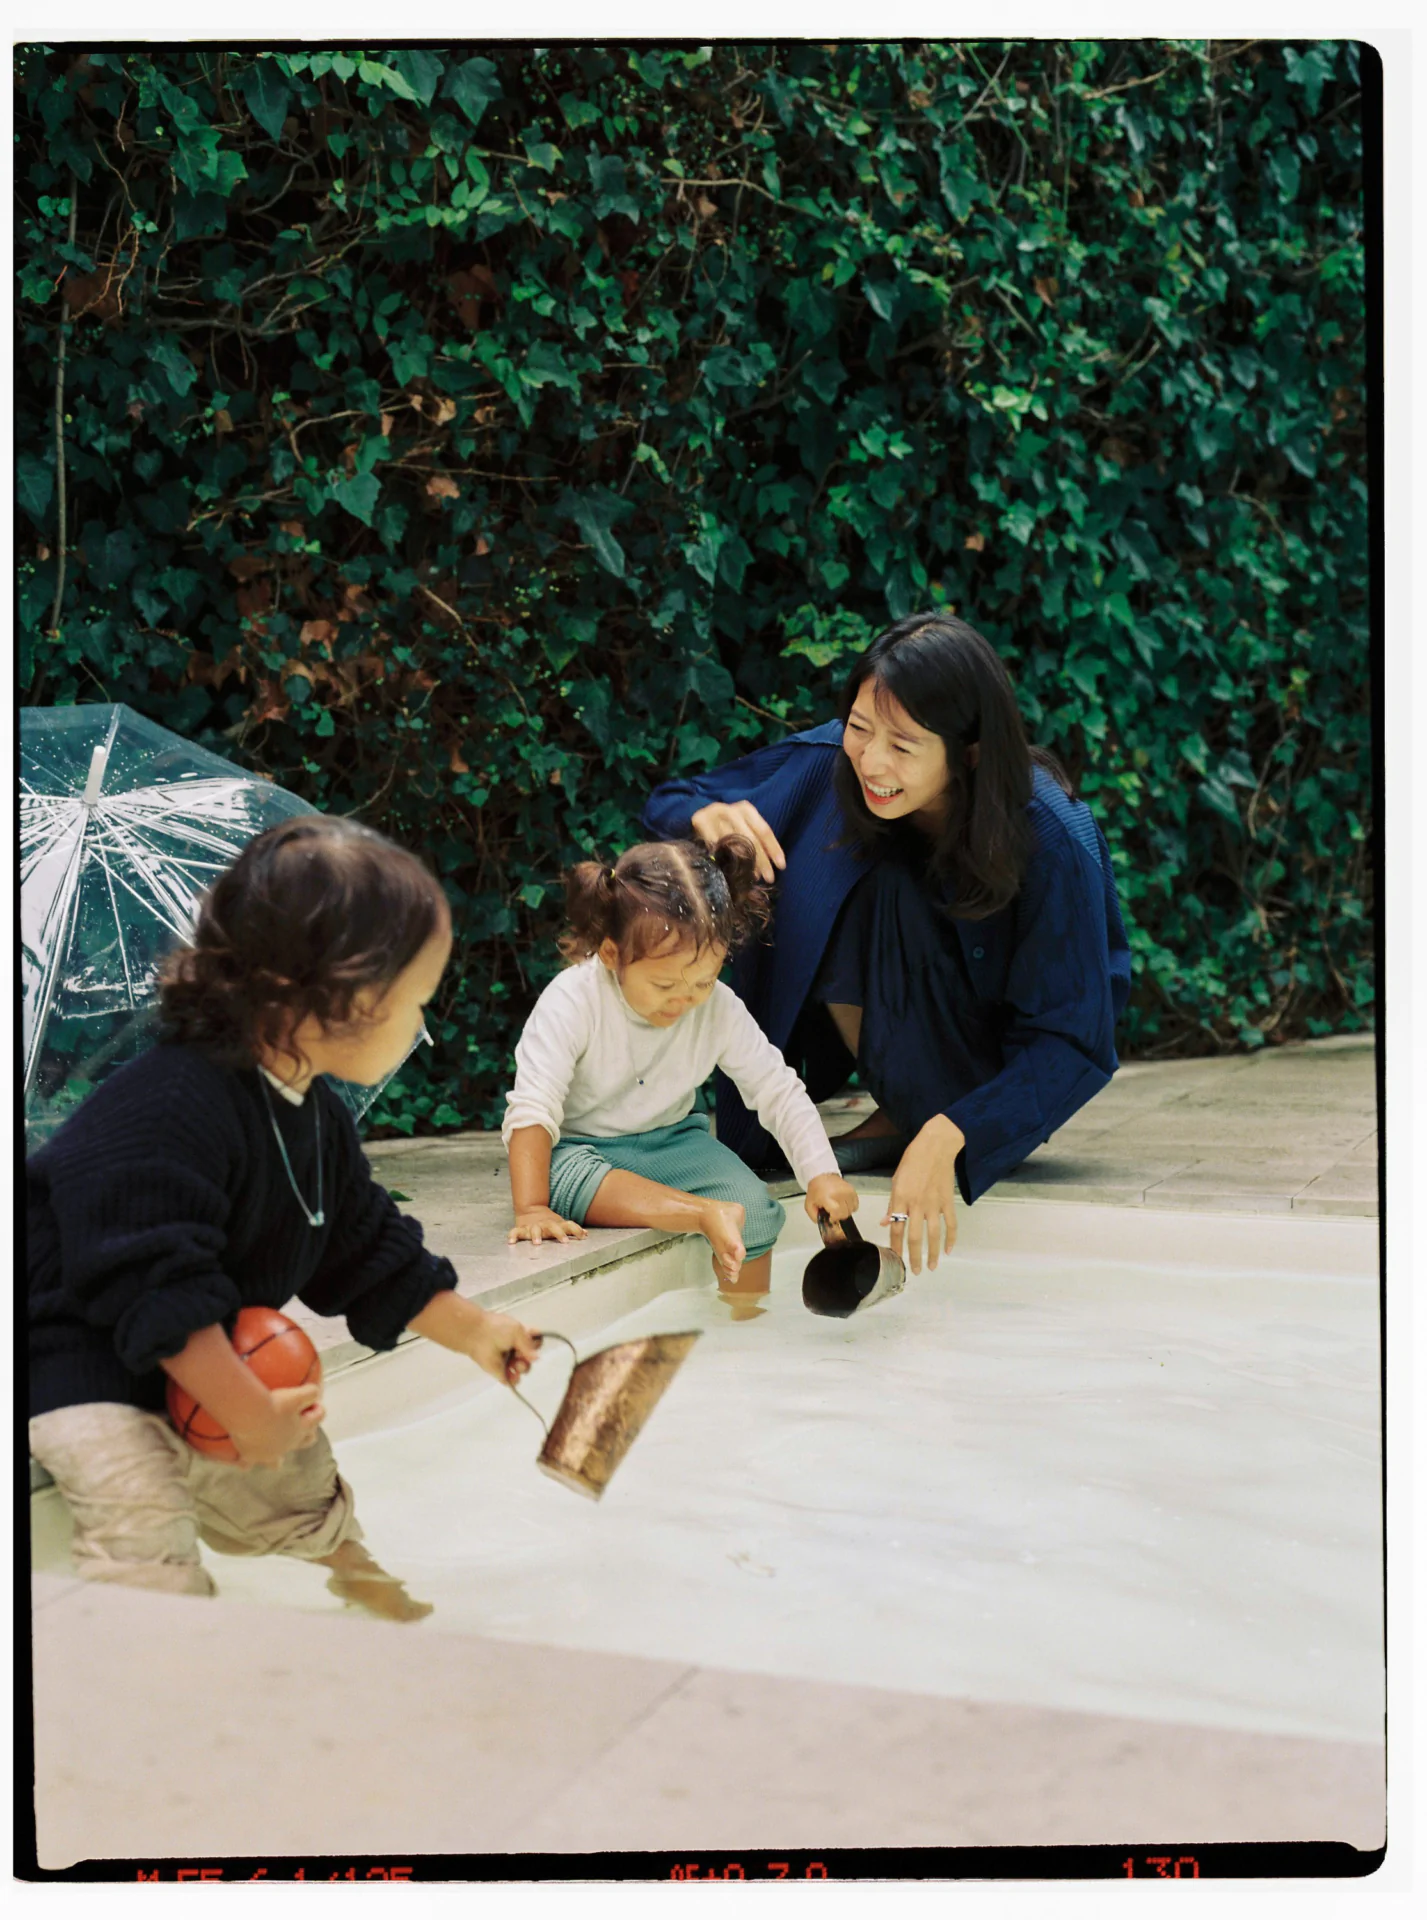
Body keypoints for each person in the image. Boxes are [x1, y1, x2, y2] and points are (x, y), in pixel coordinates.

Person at [28, 815, 541, 1620]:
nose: (420, 1025)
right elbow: (146, 1277)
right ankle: (153, 1653)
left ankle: (357, 1578)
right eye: (410, 1001)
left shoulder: (309, 1109)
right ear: (307, 995)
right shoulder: (171, 1104)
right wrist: (238, 1410)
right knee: (141, 1518)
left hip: (207, 1344)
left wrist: (475, 1331)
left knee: (296, 1465)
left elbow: (364, 1242)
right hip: (80, 1350)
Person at [641, 612, 1132, 1277]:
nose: (871, 760)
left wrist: (950, 1131)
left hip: (984, 1084)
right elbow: (672, 798)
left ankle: (915, 1119)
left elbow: (1075, 1040)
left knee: (882, 877)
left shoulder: (1048, 833)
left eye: (903, 745)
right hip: (859, 1039)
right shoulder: (829, 766)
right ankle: (892, 1110)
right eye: (860, 727)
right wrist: (704, 816)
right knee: (819, 839)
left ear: (970, 751)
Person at [502, 836, 859, 1308]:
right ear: (612, 955)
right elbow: (533, 1107)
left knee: (753, 1211)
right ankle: (699, 1213)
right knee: (559, 1179)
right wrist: (531, 1208)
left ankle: (746, 1321)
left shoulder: (716, 1007)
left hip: (671, 1142)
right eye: (666, 983)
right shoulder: (573, 1001)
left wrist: (821, 1175)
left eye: (705, 979)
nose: (686, 999)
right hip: (581, 1151)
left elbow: (777, 1090)